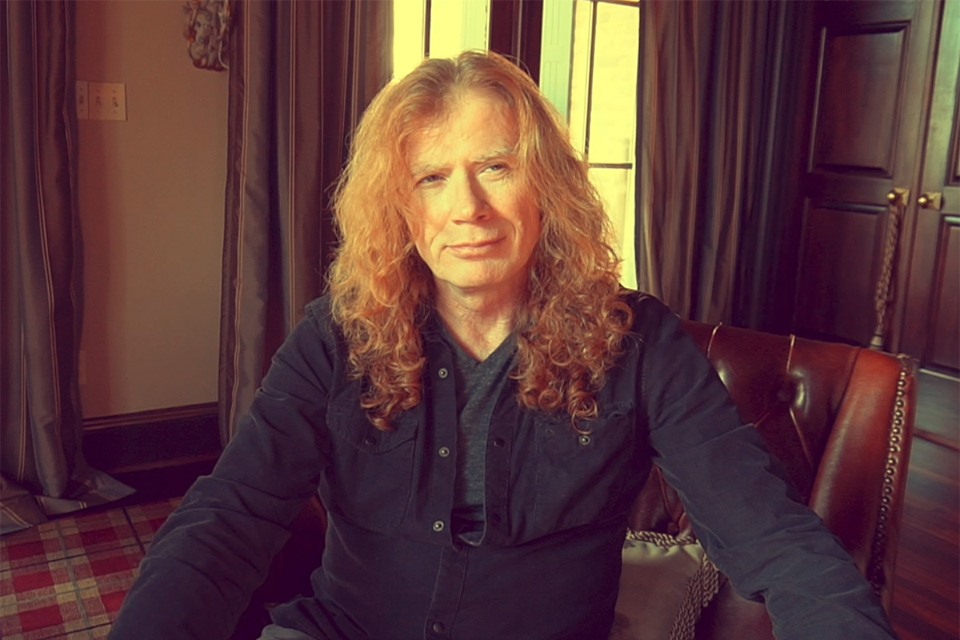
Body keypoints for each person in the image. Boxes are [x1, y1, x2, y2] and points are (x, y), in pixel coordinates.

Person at [110, 51, 898, 640]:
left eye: (496, 167)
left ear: (546, 186)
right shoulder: (335, 334)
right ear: (398, 206)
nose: (468, 208)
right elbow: (229, 516)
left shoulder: (640, 342)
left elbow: (771, 533)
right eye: (431, 178)